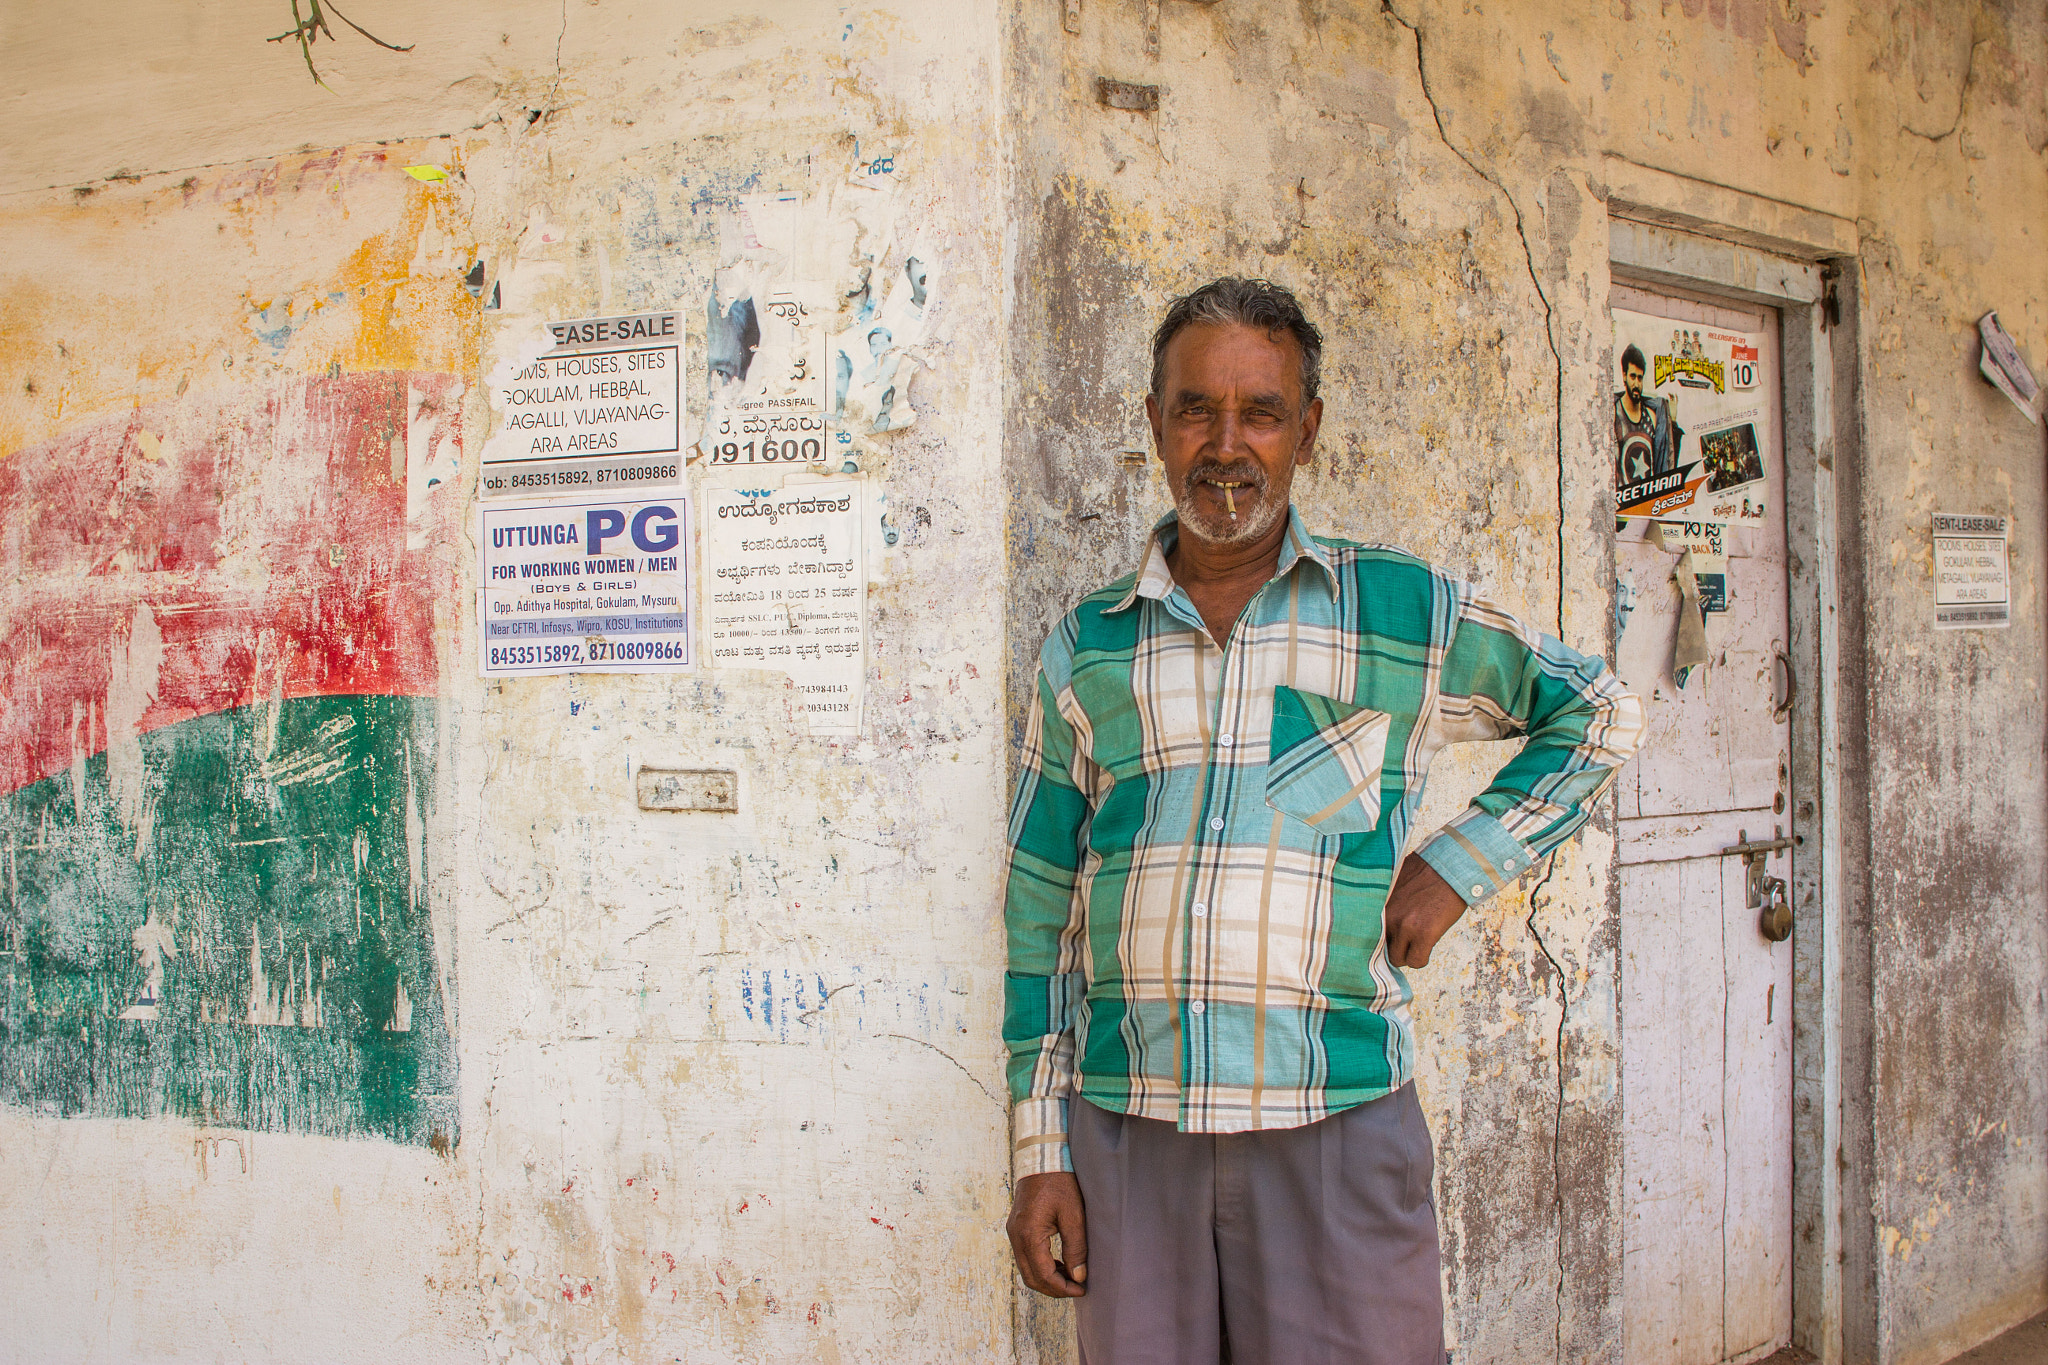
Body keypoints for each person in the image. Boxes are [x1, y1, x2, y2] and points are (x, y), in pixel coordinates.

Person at [1001, 277, 1643, 1365]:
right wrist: (1037, 1146)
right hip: (1127, 1123)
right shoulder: (1086, 646)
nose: (1224, 443)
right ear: (1152, 424)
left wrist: (1462, 861)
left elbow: (1594, 711)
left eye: (1258, 411)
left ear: (1305, 432)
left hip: (1333, 1115)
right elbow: (1038, 913)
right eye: (1195, 408)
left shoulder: (1402, 609)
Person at [1613, 342, 1681, 488]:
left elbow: (1666, 458)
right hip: (1622, 502)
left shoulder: (1652, 416)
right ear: (1624, 376)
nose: (1636, 384)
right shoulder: (1614, 413)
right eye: (1632, 377)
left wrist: (1672, 422)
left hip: (1647, 501)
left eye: (1640, 378)